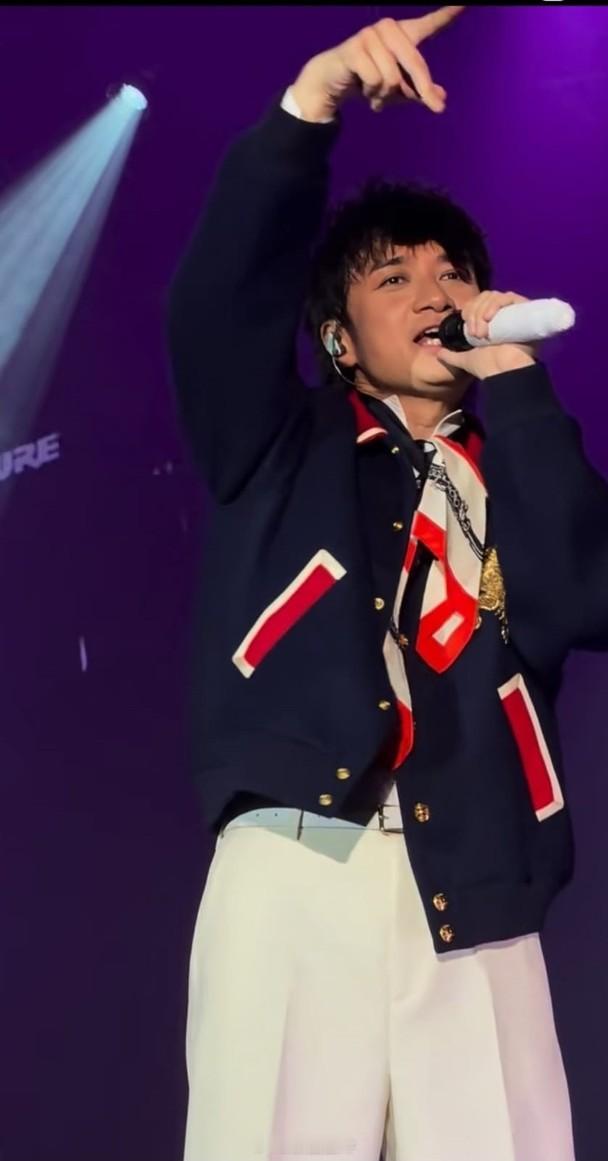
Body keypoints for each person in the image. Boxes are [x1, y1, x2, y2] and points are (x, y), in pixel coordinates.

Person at [168, 9, 608, 1160]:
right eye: (394, 275)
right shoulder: (279, 446)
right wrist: (305, 110)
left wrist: (516, 386)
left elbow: (582, 596)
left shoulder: (515, 458)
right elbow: (217, 305)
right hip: (299, 865)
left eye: (452, 273)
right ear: (337, 337)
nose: (432, 292)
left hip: (478, 884)